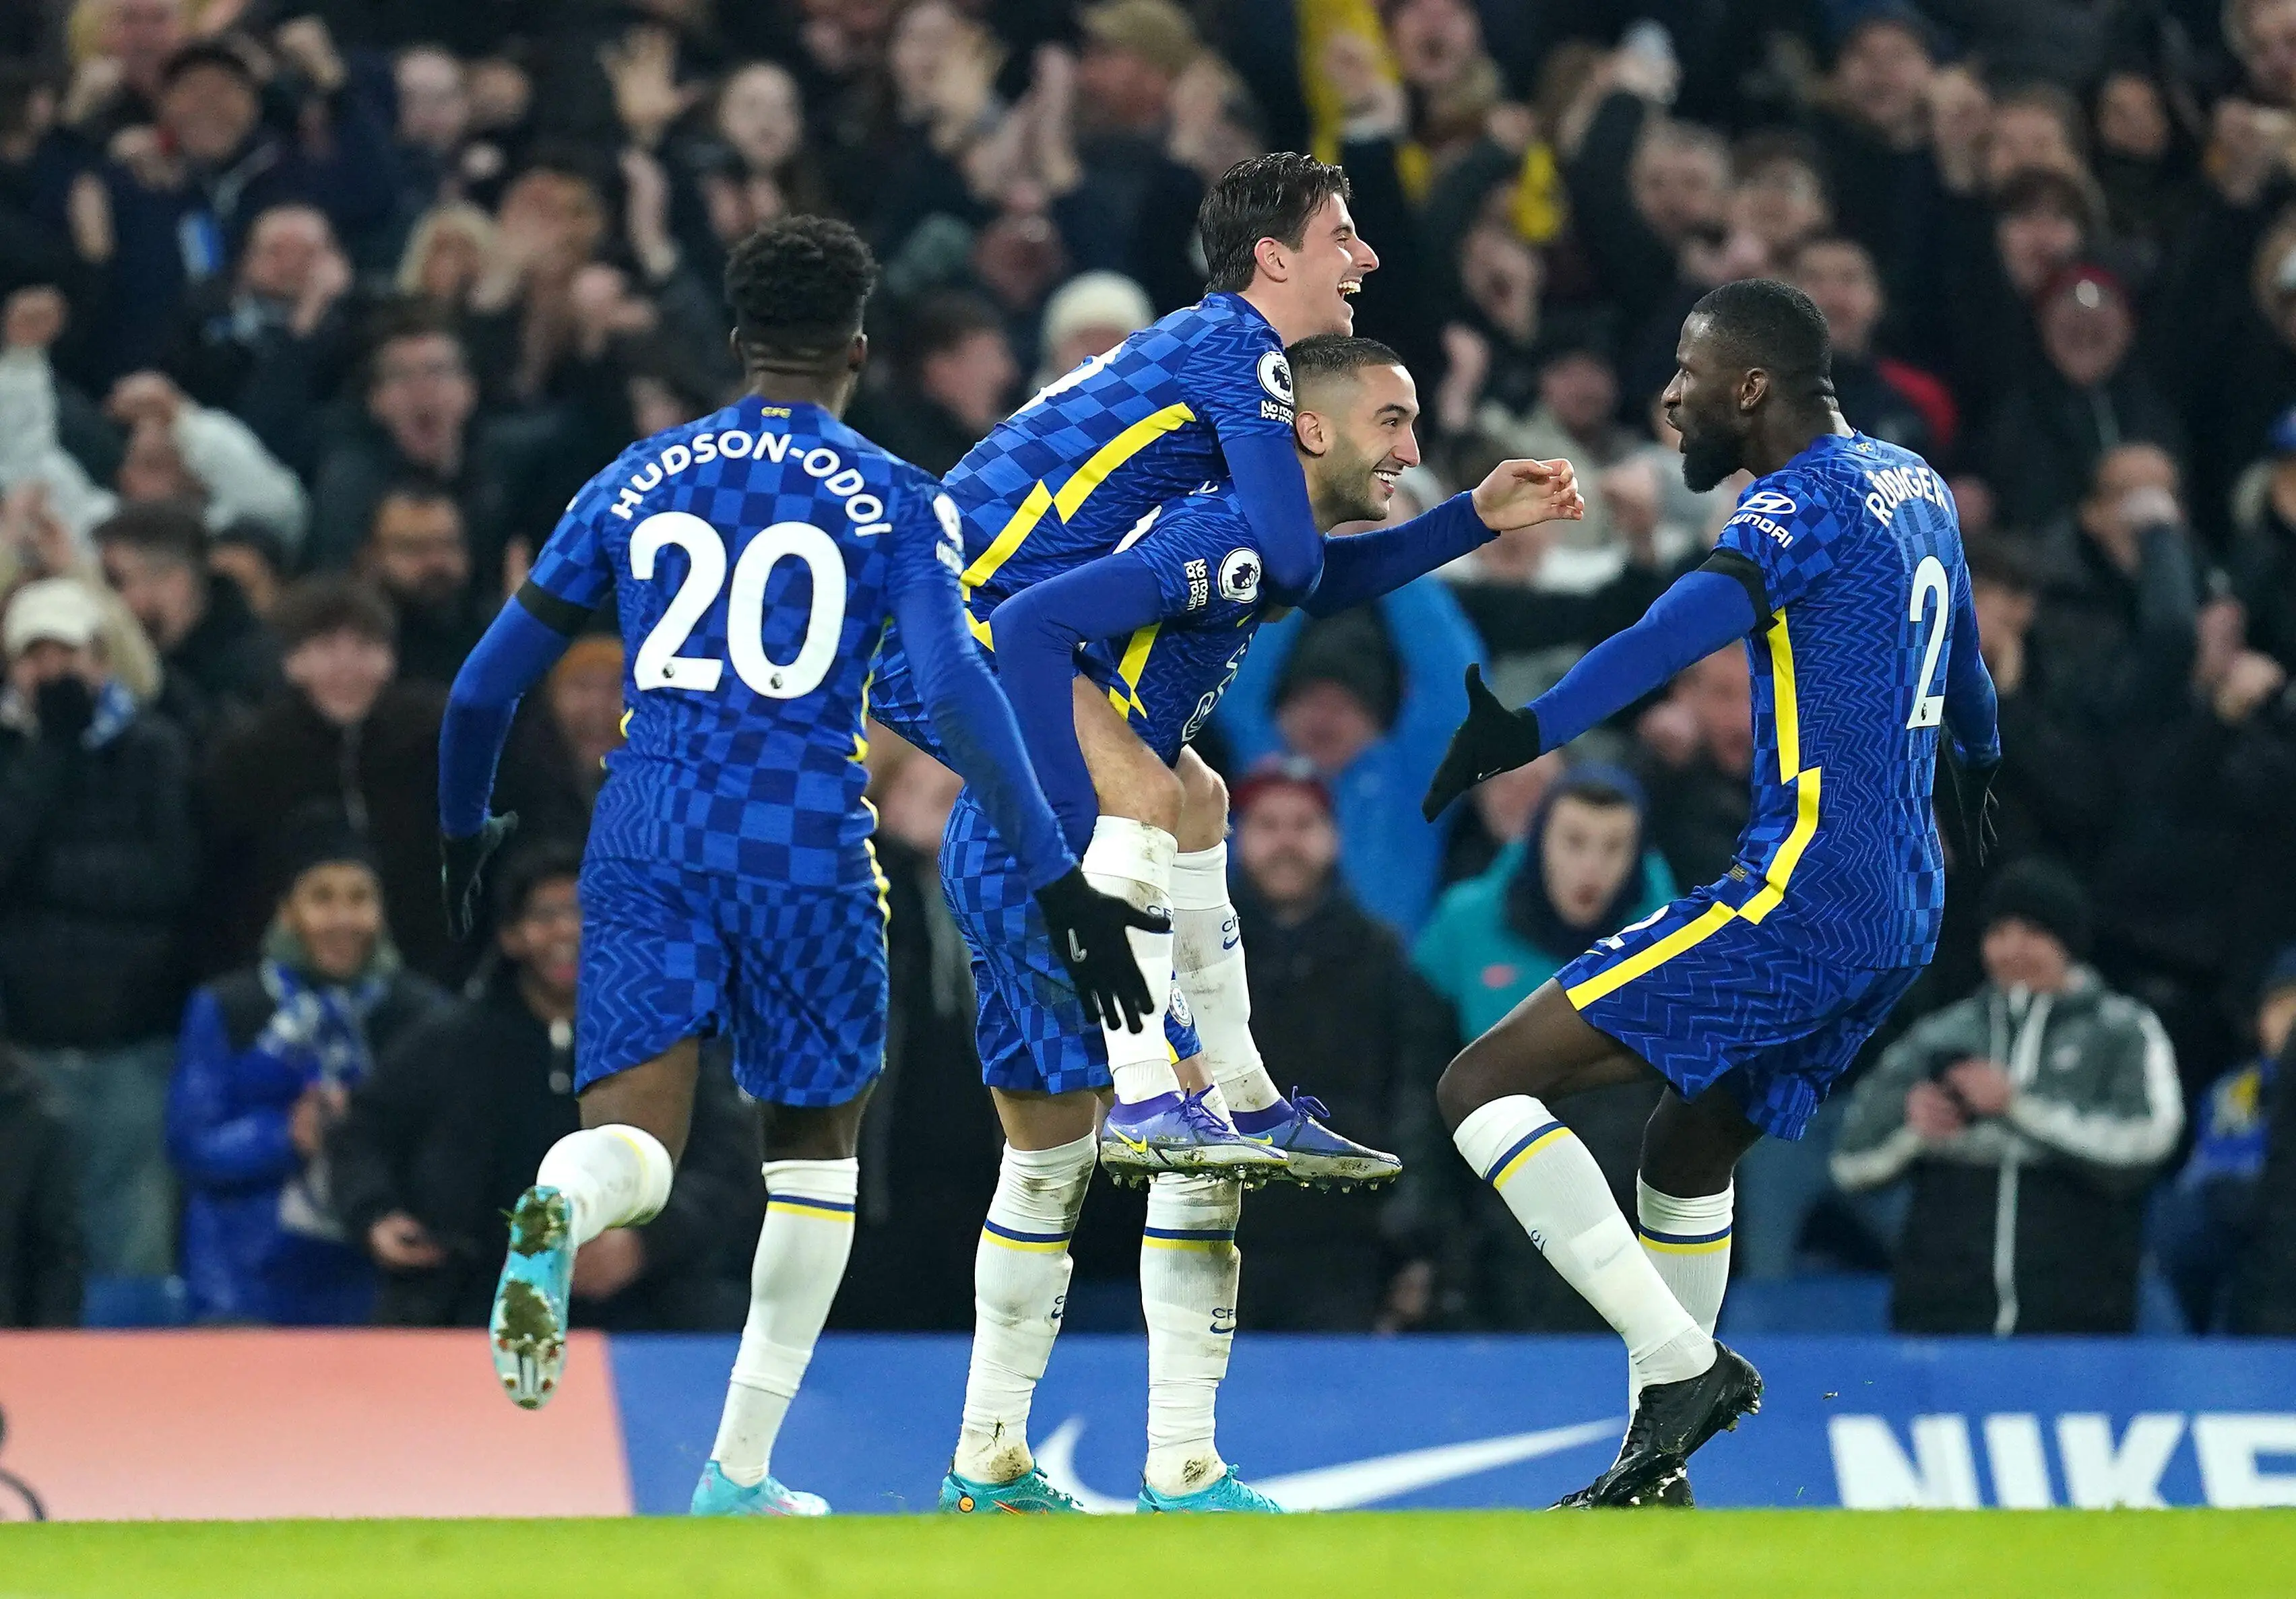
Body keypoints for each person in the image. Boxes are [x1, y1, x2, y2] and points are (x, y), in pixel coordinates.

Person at [432, 216, 1151, 1517]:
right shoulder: (896, 495)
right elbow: (955, 691)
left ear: (735, 340)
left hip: (646, 822)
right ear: (858, 350)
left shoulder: (635, 476)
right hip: (800, 835)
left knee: (633, 1143)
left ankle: (560, 1199)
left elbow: (484, 684)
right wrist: (1054, 870)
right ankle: (738, 1468)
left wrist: (460, 825)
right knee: (815, 1152)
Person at [926, 333, 1579, 1513]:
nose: (1410, 447)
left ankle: (987, 1461)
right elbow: (1024, 626)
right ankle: (1182, 1462)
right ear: (1311, 430)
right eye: (1391, 421)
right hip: (1070, 859)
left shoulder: (1267, 546)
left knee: (1045, 1164)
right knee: (1201, 1151)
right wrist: (1070, 819)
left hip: (1022, 849)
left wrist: (1474, 518)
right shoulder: (1221, 536)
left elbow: (1330, 579)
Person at [1420, 279, 2000, 1507]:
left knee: (1479, 1084)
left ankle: (1682, 1367)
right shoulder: (1913, 482)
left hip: (1804, 890)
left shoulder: (1795, 504)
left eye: (1686, 377)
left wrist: (1529, 727)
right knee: (1687, 1142)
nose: (1669, 400)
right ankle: (1657, 1465)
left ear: (1751, 386)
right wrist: (1982, 762)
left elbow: (1668, 633)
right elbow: (1965, 663)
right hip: (1903, 902)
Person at [867, 152, 1380, 1173]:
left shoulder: (1196, 342)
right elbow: (1293, 564)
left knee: (1195, 797)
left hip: (955, 608)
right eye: (1341, 238)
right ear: (1274, 259)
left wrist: (1470, 519)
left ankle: (1234, 1094)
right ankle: (1159, 1092)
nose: (1364, 258)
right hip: (956, 616)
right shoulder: (1243, 351)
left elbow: (1288, 569)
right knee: (1148, 793)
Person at [331, 842, 757, 1330]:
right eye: (545, 915)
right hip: (470, 1302)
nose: (567, 931)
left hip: (647, 1304)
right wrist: (376, 1215)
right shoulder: (450, 1040)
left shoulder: (668, 1045)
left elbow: (730, 1161)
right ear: (511, 936)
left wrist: (645, 1244)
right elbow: (361, 1131)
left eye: (587, 912)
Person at [1831, 861, 2182, 1335]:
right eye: (1998, 933)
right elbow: (1849, 1163)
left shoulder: (2122, 1031)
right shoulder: (1939, 1034)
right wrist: (1914, 1130)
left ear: (2068, 941)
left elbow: (2151, 1141)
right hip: (1941, 1317)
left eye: (2033, 932)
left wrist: (2016, 1106)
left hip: (2079, 1322)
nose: (2012, 949)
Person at [166, 807, 448, 1324]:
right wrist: (287, 1136)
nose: (343, 919)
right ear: (286, 912)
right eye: (322, 898)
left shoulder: (421, 1016)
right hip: (244, 1289)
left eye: (359, 899)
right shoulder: (230, 1007)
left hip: (379, 1287)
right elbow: (191, 1146)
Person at [0, 575, 195, 1281]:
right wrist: (51, 753)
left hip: (132, 1041)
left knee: (132, 1244)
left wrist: (46, 879)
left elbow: (169, 879)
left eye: (70, 653)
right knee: (30, 1240)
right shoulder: (12, 753)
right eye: (36, 656)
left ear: (103, 659)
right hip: (24, 1049)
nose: (54, 672)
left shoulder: (155, 747)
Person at [2153, 946, 2296, 1332]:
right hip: (2241, 1234)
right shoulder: (2236, 1090)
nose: (2290, 1021)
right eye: (2280, 1007)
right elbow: (2212, 1174)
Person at [94, 500, 276, 743]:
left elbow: (216, 741)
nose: (105, 601)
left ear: (175, 582)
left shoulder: (255, 663)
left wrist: (139, 661)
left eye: (115, 582)